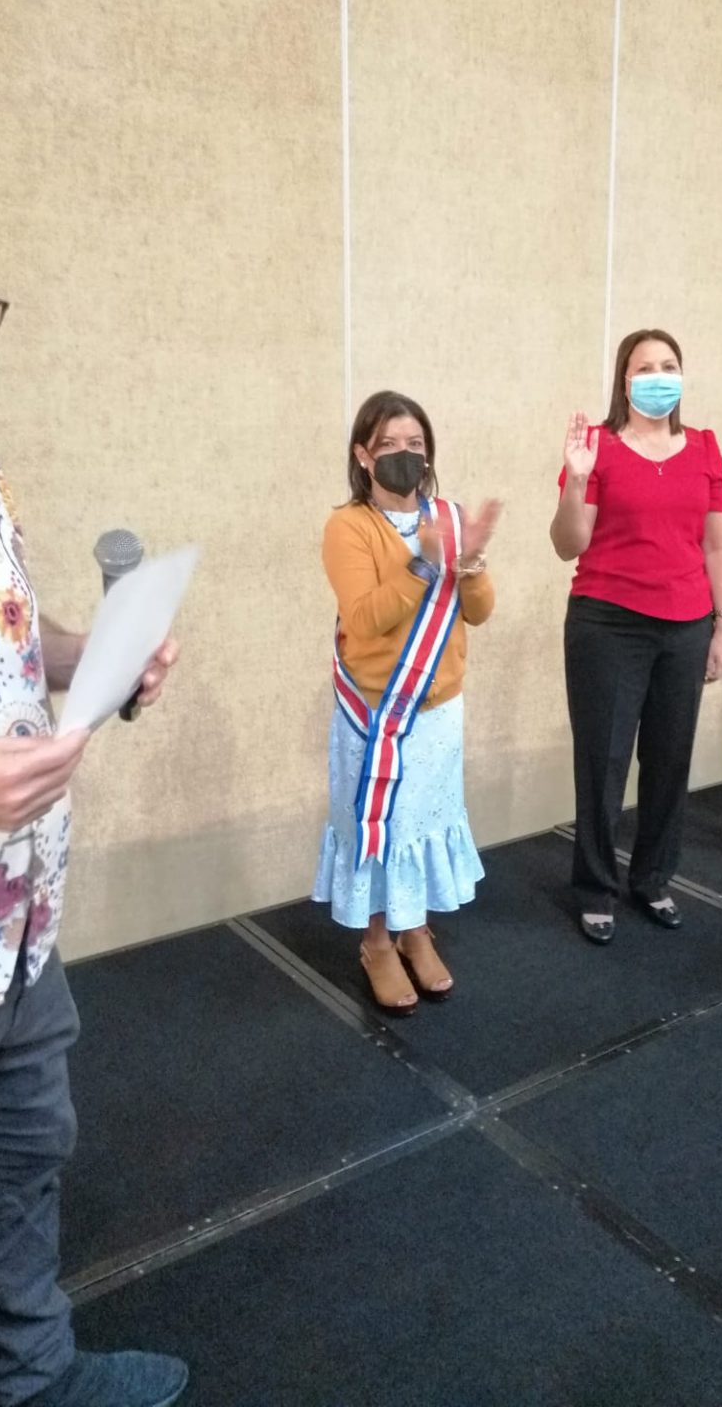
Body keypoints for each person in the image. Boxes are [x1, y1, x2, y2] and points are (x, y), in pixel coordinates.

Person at [0, 287, 183, 1407]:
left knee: (22, 1154)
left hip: (16, 914)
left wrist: (98, 652)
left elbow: (11, 641)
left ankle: (30, 1377)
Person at [313, 391, 499, 1014]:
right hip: (374, 711)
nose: (404, 455)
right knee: (378, 827)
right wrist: (423, 561)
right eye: (388, 444)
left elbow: (480, 611)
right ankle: (376, 943)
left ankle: (415, 930)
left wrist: (469, 561)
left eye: (415, 444)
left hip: (438, 709)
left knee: (419, 826)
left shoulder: (447, 516)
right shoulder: (349, 526)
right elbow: (365, 618)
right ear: (363, 456)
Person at [551, 329, 722, 944]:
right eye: (644, 367)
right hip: (607, 623)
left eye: (669, 365)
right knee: (603, 762)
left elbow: (717, 546)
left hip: (687, 624)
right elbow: (568, 544)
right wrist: (577, 481)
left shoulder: (704, 447)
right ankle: (595, 887)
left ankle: (653, 878)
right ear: (623, 380)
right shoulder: (597, 448)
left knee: (670, 760)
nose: (658, 376)